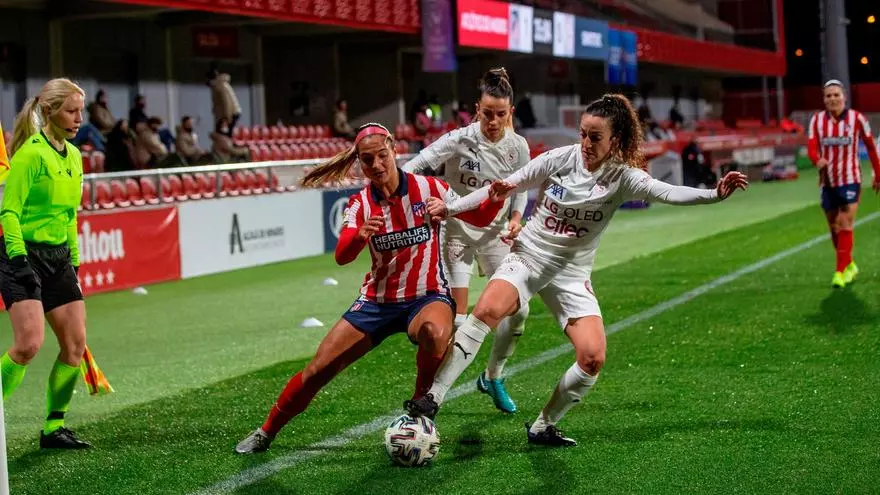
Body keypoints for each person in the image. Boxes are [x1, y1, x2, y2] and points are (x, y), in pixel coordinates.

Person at [405, 94, 748, 447]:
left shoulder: (623, 177)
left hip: (571, 274)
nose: (585, 143)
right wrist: (450, 209)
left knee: (592, 357)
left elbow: (669, 192)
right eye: (583, 134)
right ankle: (433, 398)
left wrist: (714, 194)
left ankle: (543, 426)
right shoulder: (560, 159)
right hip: (528, 256)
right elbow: (501, 188)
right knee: (486, 311)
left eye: (595, 137)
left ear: (615, 139)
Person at [234, 123, 506, 454]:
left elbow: (478, 217)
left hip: (427, 295)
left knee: (435, 332)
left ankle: (420, 410)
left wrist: (492, 200)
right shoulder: (360, 203)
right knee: (318, 370)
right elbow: (342, 256)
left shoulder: (430, 187)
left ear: (393, 149)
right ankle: (266, 431)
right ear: (359, 162)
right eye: (367, 160)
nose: (376, 165)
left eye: (381, 156)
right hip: (377, 302)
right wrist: (360, 236)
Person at [403, 68, 530, 414]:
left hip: (495, 236)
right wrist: (408, 194)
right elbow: (416, 165)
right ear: (477, 109)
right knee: (459, 320)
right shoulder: (459, 139)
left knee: (519, 311)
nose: (493, 121)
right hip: (456, 233)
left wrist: (516, 218)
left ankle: (493, 376)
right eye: (487, 113)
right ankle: (430, 397)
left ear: (510, 112)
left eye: (500, 114)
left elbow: (520, 189)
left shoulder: (518, 146)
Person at [1, 78, 91, 449]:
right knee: (28, 345)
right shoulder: (30, 155)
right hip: (22, 255)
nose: (78, 119)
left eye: (81, 111)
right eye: (71, 111)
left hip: (59, 259)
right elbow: (8, 212)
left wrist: (75, 261)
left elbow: (69, 214)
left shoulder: (75, 156)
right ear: (50, 112)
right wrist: (19, 259)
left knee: (75, 346)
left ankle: (54, 428)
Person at [807, 79, 880, 288]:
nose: (833, 99)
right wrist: (816, 159)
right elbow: (811, 147)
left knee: (845, 222)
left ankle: (839, 273)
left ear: (844, 97)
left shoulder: (857, 118)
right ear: (824, 99)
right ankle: (848, 263)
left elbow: (871, 147)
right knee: (833, 226)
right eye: (828, 96)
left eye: (836, 95)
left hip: (850, 179)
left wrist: (878, 174)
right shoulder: (817, 120)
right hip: (828, 182)